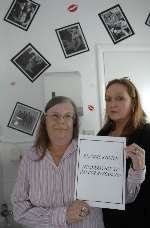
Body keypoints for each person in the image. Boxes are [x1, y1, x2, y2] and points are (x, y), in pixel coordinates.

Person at [11, 96, 145, 228]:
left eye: (68, 116)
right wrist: (64, 215)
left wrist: (137, 170)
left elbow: (125, 198)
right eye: (55, 115)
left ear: (74, 122)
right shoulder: (30, 158)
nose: (61, 121)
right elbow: (19, 210)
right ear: (45, 120)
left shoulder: (94, 151)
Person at [97, 78, 150, 228]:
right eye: (108, 99)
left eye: (120, 98)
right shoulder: (102, 134)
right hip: (107, 216)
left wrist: (139, 168)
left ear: (133, 102)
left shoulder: (146, 133)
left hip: (139, 216)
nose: (112, 104)